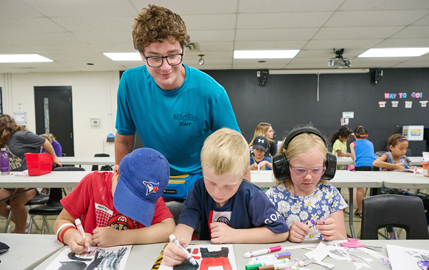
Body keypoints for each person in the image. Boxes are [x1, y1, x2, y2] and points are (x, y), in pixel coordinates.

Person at [115, 5, 240, 200]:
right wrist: (124, 185)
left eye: (173, 55)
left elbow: (236, 152)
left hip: (200, 182)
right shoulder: (130, 83)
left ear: (183, 48)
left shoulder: (212, 92)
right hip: (152, 179)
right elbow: (124, 140)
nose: (165, 67)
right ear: (142, 55)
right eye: (155, 58)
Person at [162, 128, 289, 267]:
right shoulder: (199, 189)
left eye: (229, 185)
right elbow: (185, 226)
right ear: (202, 169)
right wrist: (177, 245)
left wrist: (234, 235)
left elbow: (281, 232)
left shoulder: (251, 195)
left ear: (244, 174)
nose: (218, 192)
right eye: (211, 182)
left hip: (245, 262)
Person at [53, 148, 175, 254]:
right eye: (128, 195)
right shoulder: (92, 183)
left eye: (139, 202)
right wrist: (71, 237)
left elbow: (169, 228)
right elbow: (62, 220)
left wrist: (122, 237)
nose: (131, 203)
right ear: (116, 172)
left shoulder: (150, 196)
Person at [266, 126, 347, 242]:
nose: (308, 177)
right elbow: (264, 239)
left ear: (327, 168)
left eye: (316, 170)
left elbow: (343, 239)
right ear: (284, 167)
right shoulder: (273, 197)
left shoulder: (331, 196)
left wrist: (334, 235)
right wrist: (287, 235)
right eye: (300, 170)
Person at [0, 114, 62, 233]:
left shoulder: (20, 135)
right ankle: (22, 222)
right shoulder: (4, 140)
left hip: (30, 179)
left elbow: (44, 141)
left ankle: (20, 230)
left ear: (0, 126)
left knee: (15, 203)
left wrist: (54, 157)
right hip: (14, 180)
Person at [349, 126, 376, 218]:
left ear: (355, 136)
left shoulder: (353, 144)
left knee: (360, 189)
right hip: (371, 165)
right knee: (367, 188)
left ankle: (360, 211)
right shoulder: (371, 143)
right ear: (366, 136)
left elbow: (353, 157)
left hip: (360, 165)